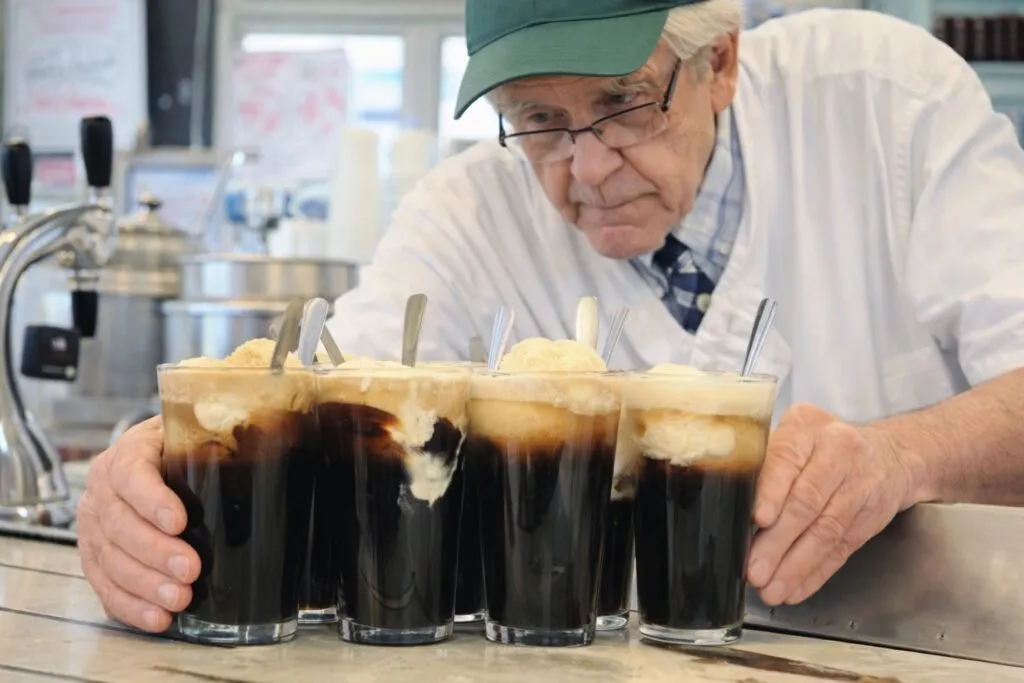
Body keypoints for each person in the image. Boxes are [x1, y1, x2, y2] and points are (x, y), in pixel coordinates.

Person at [78, 0, 1024, 633]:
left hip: (948, 643)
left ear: (722, 63)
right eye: (536, 118)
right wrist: (139, 480)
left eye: (622, 104)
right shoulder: (469, 212)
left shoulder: (883, 103)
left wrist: (903, 455)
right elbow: (329, 390)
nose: (587, 168)